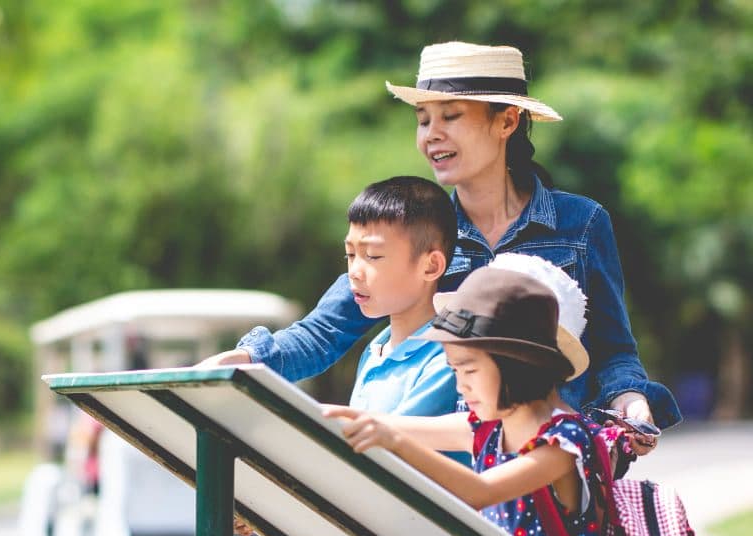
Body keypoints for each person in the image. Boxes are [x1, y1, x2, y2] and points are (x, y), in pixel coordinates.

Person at [200, 41, 680, 447]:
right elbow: (325, 331)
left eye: (450, 116)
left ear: (507, 121)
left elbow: (613, 349)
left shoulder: (581, 223)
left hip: (552, 463)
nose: (432, 135)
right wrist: (242, 360)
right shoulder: (417, 229)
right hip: (448, 471)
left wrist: (630, 403)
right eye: (423, 119)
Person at [326, 260, 619, 536]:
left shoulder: (563, 443)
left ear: (515, 363)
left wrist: (393, 441)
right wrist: (345, 421)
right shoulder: (487, 430)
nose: (460, 385)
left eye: (468, 370)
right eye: (454, 370)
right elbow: (399, 425)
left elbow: (479, 491)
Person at [310, 175, 463, 536]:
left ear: (431, 265)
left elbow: (372, 457)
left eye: (374, 257)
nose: (356, 272)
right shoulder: (373, 352)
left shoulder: (449, 358)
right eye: (350, 255)